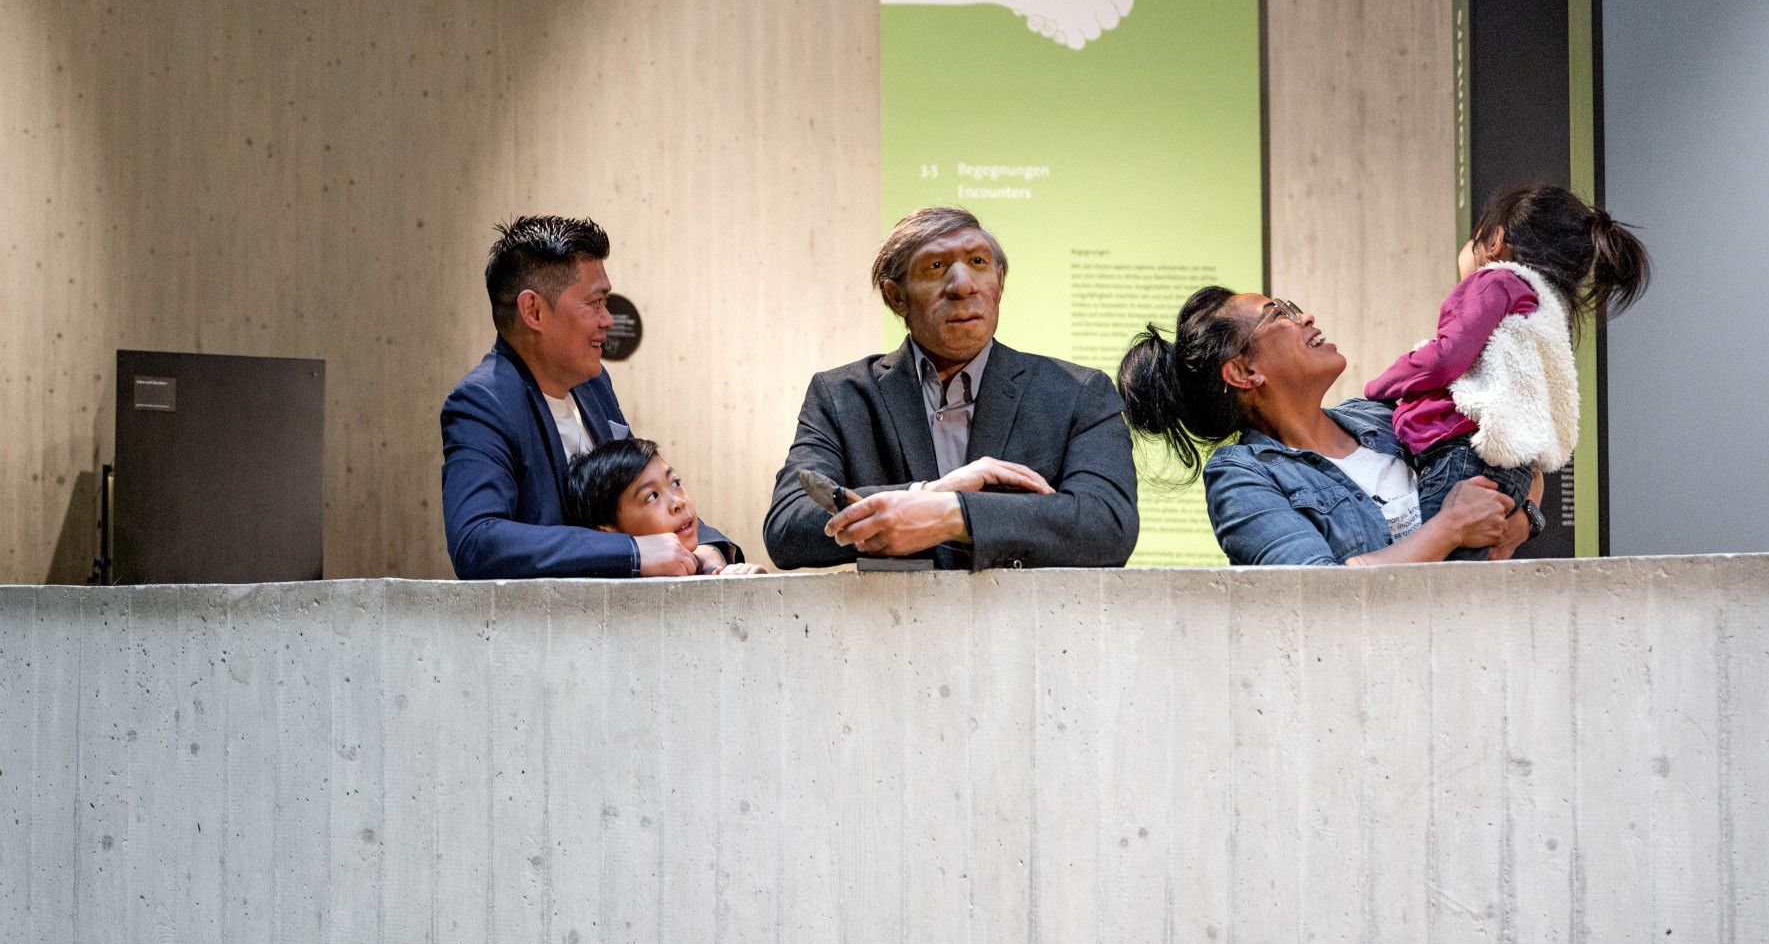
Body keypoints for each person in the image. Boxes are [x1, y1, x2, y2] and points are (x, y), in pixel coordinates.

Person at [763, 206, 1138, 569]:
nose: (962, 285)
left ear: (1000, 282)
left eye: (978, 262)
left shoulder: (1077, 393)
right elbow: (789, 525)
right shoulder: (842, 396)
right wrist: (924, 494)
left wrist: (952, 514)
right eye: (936, 267)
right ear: (897, 296)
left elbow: (1107, 524)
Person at [1117, 286, 1537, 567]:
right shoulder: (1241, 476)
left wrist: (1523, 519)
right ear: (1244, 372)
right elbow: (1321, 595)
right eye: (1277, 313)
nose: (1305, 317)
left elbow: (1515, 458)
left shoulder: (1380, 415)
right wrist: (1451, 529)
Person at [1364, 185, 1650, 558]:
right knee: (1467, 578)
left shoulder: (1494, 280)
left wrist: (1381, 384)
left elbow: (1447, 357)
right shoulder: (1543, 305)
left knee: (1438, 576)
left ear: (1496, 239)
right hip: (1508, 468)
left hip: (1462, 455)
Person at [440, 215, 704, 579]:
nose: (608, 319)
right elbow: (477, 540)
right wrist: (629, 552)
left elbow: (640, 492)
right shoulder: (483, 401)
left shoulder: (593, 384)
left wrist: (708, 549)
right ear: (533, 311)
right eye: (595, 302)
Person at [563, 437, 764, 575]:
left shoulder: (714, 570)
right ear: (609, 534)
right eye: (652, 496)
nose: (678, 502)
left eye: (675, 483)